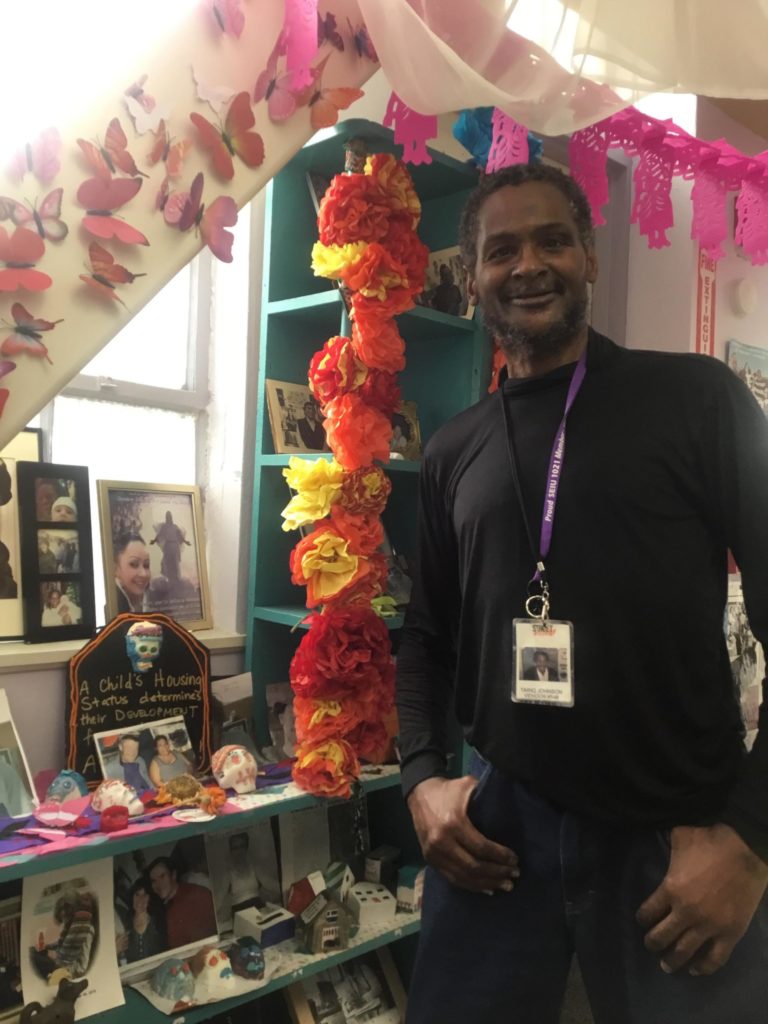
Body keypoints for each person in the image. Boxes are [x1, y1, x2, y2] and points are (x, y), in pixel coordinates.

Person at [397, 163, 768, 1024]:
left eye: (552, 240)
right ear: (475, 275)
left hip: (676, 839)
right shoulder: (454, 448)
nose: (529, 265)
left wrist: (751, 839)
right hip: (498, 833)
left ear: (590, 257)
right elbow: (425, 636)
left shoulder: (696, 401)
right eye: (502, 250)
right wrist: (421, 780)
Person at [147, 857, 217, 949]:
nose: (158, 884)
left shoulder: (197, 895)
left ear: (173, 875)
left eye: (162, 876)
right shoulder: (159, 908)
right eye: (154, 881)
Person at [116, 877, 165, 964]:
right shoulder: (124, 922)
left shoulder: (157, 922)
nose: (140, 900)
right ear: (132, 897)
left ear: (150, 898)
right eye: (137, 894)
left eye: (145, 895)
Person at [113, 532, 151, 614]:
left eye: (146, 565)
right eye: (134, 564)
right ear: (115, 569)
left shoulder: (150, 598)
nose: (143, 574)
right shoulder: (114, 605)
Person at [150, 512, 190, 584]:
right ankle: (169, 578)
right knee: (167, 562)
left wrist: (186, 542)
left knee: (174, 562)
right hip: (170, 546)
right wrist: (154, 541)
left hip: (172, 546)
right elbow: (159, 535)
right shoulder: (166, 527)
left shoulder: (174, 527)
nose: (168, 518)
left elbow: (179, 536)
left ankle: (177, 578)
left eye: (168, 516)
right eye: (167, 516)